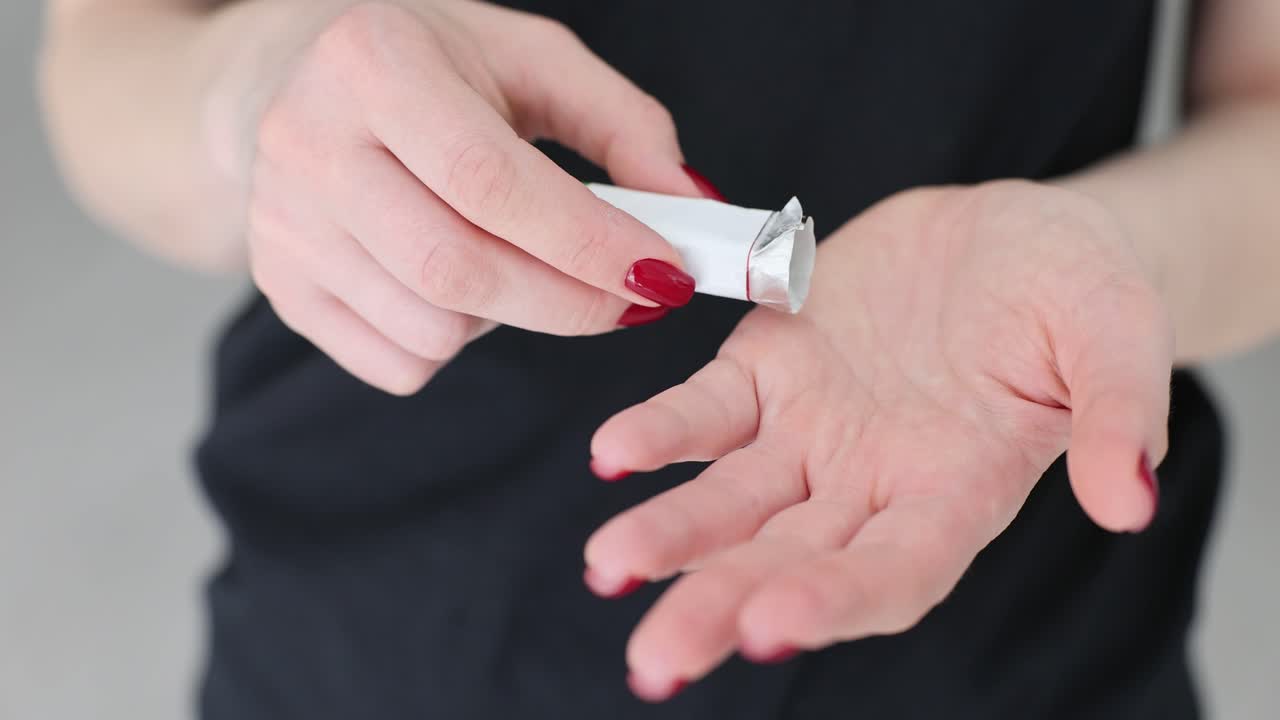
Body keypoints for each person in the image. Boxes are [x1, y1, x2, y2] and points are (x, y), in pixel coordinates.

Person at [37, 0, 1280, 717]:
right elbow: (109, 57)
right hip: (376, 630)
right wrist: (259, 106)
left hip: (1004, 628)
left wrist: (1112, 252)